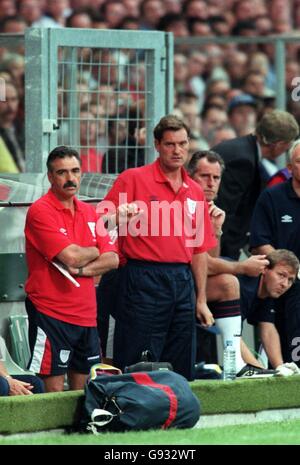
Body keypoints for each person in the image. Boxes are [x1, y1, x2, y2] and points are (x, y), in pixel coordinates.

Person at [97, 115, 217, 380]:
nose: (177, 151)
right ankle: (133, 411)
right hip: (142, 277)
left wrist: (201, 299)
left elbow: (199, 251)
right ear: (157, 145)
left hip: (182, 281)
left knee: (181, 355)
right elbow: (99, 223)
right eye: (170, 144)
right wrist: (117, 215)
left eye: (182, 144)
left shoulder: (195, 190)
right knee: (138, 357)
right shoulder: (133, 179)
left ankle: (178, 413)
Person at [24, 146, 119, 392]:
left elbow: (113, 259)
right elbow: (72, 256)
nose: (70, 178)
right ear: (50, 177)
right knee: (52, 395)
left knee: (84, 392)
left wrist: (81, 270)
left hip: (87, 315)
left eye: (75, 171)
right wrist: (94, 250)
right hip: (51, 313)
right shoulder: (40, 211)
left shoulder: (89, 211)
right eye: (62, 172)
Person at [188, 150, 271, 375]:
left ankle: (238, 361)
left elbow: (210, 261)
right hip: (171, 282)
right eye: (204, 176)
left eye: (216, 178)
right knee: (230, 282)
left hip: (193, 283)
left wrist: (216, 230)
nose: (210, 183)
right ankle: (241, 361)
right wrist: (242, 267)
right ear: (190, 176)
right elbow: (204, 263)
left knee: (228, 282)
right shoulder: (185, 204)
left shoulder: (210, 210)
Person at [212, 109, 299, 259]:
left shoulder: (244, 149)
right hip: (216, 243)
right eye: (288, 146)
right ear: (279, 144)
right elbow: (227, 211)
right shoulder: (244, 160)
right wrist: (227, 258)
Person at [249, 139, 300, 368]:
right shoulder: (272, 197)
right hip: (280, 287)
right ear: (289, 167)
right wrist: (291, 271)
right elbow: (260, 243)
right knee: (283, 349)